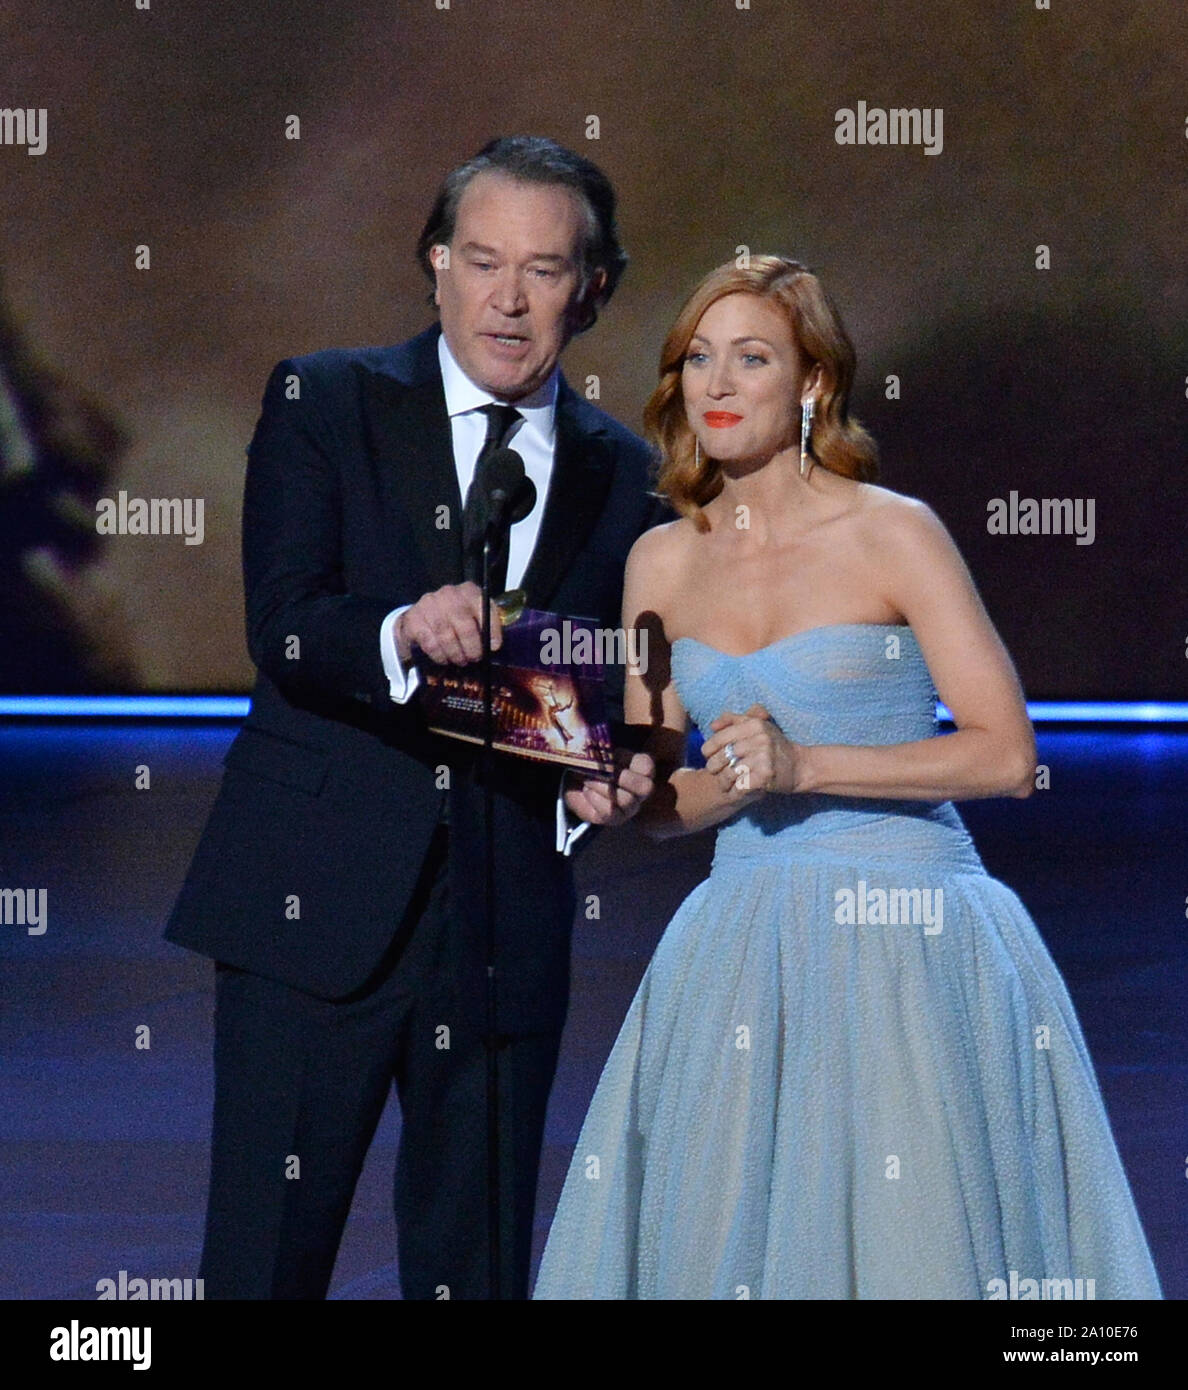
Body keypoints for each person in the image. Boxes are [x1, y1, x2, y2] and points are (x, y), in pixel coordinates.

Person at [533, 255, 1162, 1299]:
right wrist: (623, 788)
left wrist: (805, 764)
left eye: (752, 358)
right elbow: (664, 798)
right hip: (738, 943)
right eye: (699, 359)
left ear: (813, 381)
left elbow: (1006, 755)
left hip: (908, 937)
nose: (718, 385)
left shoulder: (894, 531)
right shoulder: (658, 563)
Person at [165, 136, 661, 1300]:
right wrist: (400, 630)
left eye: (544, 270)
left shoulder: (628, 476)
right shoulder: (326, 400)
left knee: (474, 1271)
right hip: (311, 904)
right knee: (263, 1262)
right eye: (482, 259)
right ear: (434, 264)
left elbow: (591, 693)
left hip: (503, 931)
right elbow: (284, 623)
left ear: (591, 292)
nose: (508, 296)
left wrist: (603, 781)